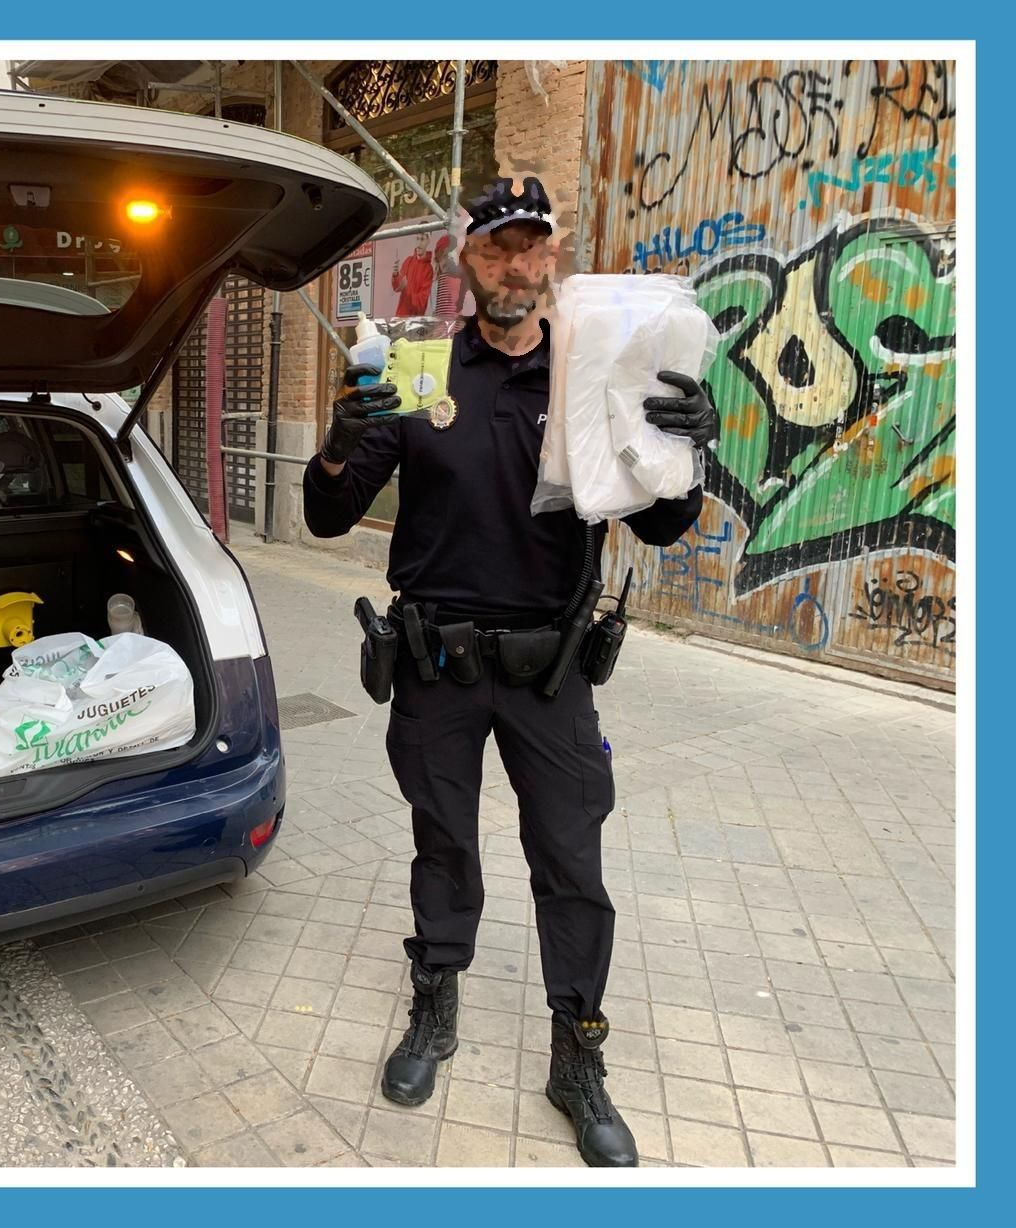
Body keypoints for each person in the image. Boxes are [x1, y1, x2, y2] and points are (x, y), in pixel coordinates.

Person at [302, 176, 719, 1168]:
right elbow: (324, 515)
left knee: (572, 868)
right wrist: (341, 434)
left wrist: (684, 448)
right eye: (496, 248)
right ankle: (433, 1007)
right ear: (465, 259)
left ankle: (577, 1059)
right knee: (441, 845)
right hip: (436, 666)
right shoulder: (410, 365)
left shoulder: (594, 374)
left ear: (554, 253)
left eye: (532, 246)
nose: (516, 265)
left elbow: (659, 523)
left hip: (551, 674)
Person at [390, 232, 437, 317]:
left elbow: (420, 303)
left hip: (414, 323)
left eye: (422, 239)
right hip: (400, 318)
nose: (418, 243)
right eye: (417, 239)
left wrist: (406, 289)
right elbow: (397, 287)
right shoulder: (408, 261)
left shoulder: (428, 270)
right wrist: (395, 274)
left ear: (428, 241)